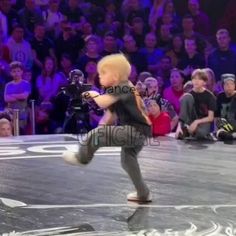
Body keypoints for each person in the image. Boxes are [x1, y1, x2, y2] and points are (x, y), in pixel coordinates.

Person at [63, 53, 152, 203]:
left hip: (135, 130)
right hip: (141, 132)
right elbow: (110, 117)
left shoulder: (123, 86)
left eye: (103, 73)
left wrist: (94, 94)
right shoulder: (119, 90)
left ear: (116, 75)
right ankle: (143, 193)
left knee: (96, 135)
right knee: (127, 160)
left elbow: (103, 102)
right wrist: (101, 130)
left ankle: (81, 158)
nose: (99, 77)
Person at [175, 69, 216, 140]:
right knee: (187, 96)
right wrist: (178, 127)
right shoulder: (188, 95)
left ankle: (188, 131)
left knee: (201, 134)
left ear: (204, 82)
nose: (196, 81)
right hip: (190, 119)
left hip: (203, 121)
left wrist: (196, 122)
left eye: (199, 79)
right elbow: (183, 113)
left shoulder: (210, 96)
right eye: (194, 79)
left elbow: (210, 117)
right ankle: (184, 129)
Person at [215, 74, 236, 141]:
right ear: (223, 86)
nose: (229, 86)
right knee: (221, 131)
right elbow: (216, 115)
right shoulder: (220, 96)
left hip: (234, 123)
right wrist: (217, 129)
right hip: (224, 124)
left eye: (231, 84)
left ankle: (232, 134)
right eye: (227, 84)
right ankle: (229, 135)